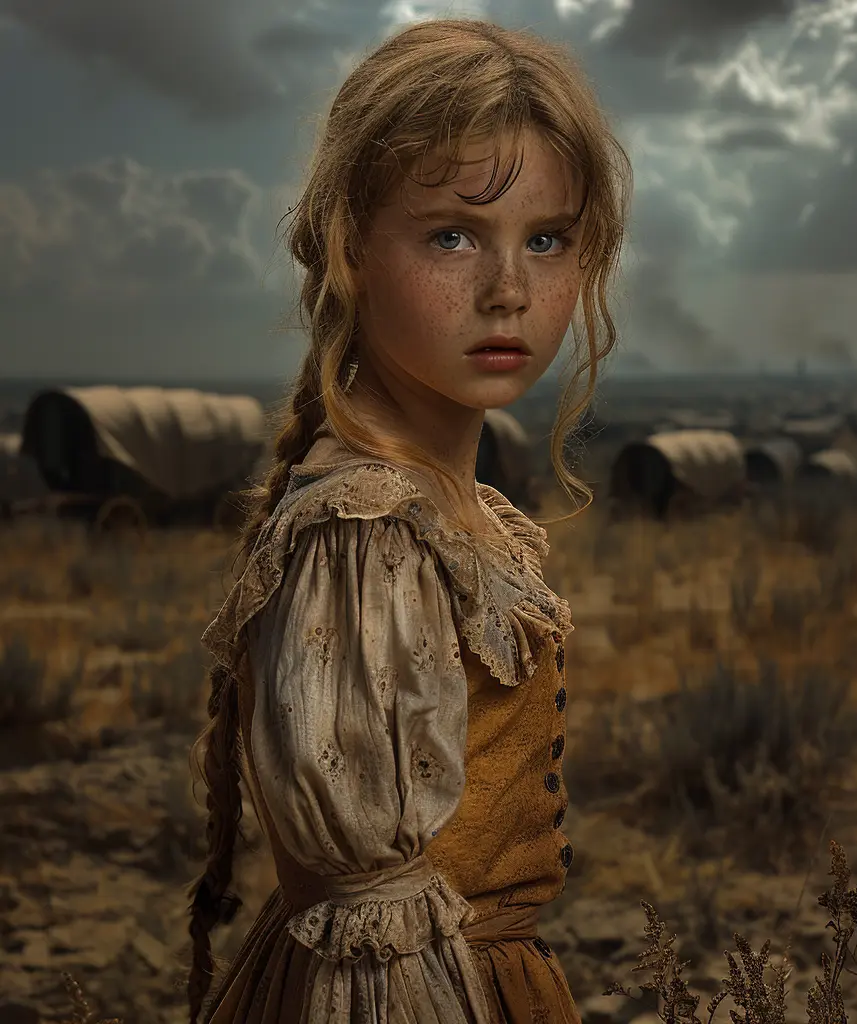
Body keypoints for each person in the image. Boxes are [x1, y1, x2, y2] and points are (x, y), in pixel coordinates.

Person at [184, 16, 632, 1023]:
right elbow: (377, 941)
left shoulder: (441, 509)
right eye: (452, 234)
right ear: (350, 246)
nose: (508, 289)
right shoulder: (368, 531)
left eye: (546, 238)